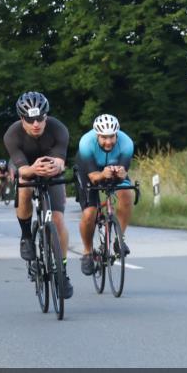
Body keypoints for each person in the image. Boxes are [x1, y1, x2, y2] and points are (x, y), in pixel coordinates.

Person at [3, 91, 73, 299]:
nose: (36, 123)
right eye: (30, 119)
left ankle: (63, 271)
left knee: (58, 219)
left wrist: (54, 166)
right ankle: (26, 237)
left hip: (51, 169)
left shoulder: (58, 128)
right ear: (21, 119)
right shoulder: (12, 134)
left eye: (40, 118)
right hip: (26, 167)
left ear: (46, 116)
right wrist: (33, 169)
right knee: (24, 186)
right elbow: (22, 170)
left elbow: (60, 161)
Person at [75, 114, 136, 276]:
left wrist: (121, 173)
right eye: (104, 138)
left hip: (113, 168)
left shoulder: (127, 143)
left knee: (126, 194)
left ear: (117, 134)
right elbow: (94, 177)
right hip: (90, 171)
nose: (108, 142)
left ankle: (119, 239)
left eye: (111, 137)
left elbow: (124, 172)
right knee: (90, 213)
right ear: (97, 135)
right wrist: (103, 174)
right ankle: (87, 252)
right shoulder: (86, 143)